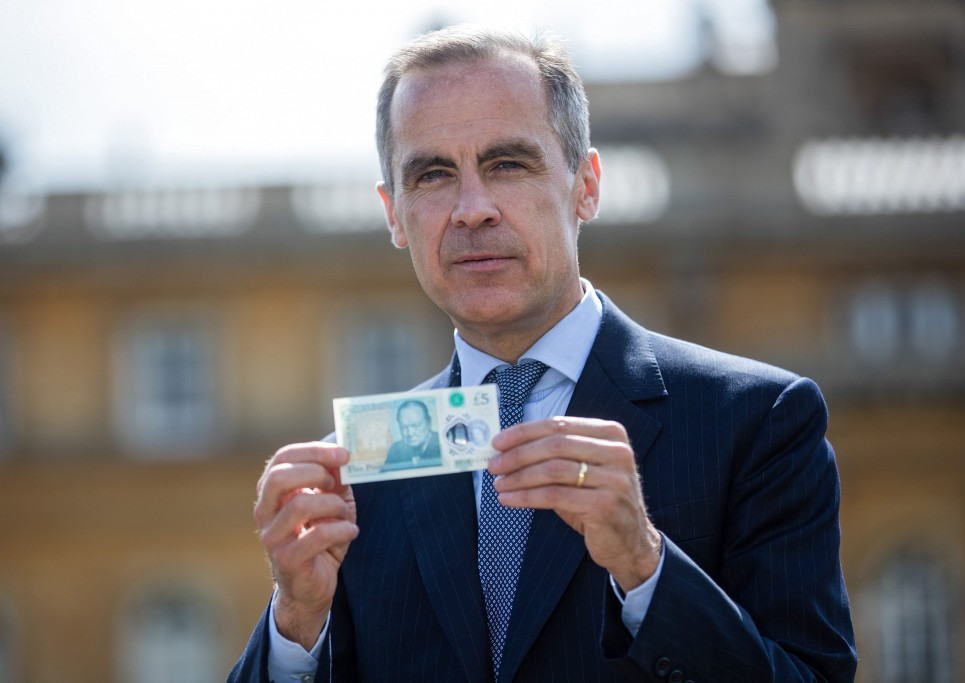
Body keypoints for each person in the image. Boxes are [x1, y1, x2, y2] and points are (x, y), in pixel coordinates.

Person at [229, 25, 857, 682]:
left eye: (508, 164)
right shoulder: (356, 474)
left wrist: (647, 567)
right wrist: (295, 622)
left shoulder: (758, 422)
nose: (472, 210)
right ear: (394, 213)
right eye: (433, 174)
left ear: (585, 185)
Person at [382, 399, 442, 470]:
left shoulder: (442, 443)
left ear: (428, 423)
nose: (410, 433)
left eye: (415, 425)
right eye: (404, 427)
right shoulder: (395, 450)